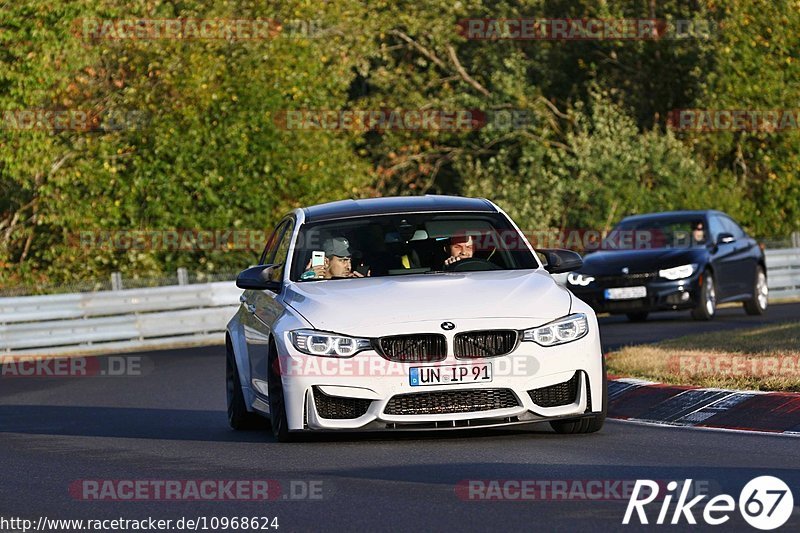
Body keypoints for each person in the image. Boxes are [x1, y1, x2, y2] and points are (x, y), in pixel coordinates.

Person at [302, 237, 366, 279]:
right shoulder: (314, 288)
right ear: (326, 262)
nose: (349, 267)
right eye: (343, 260)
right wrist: (307, 280)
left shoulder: (351, 285)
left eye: (350, 260)